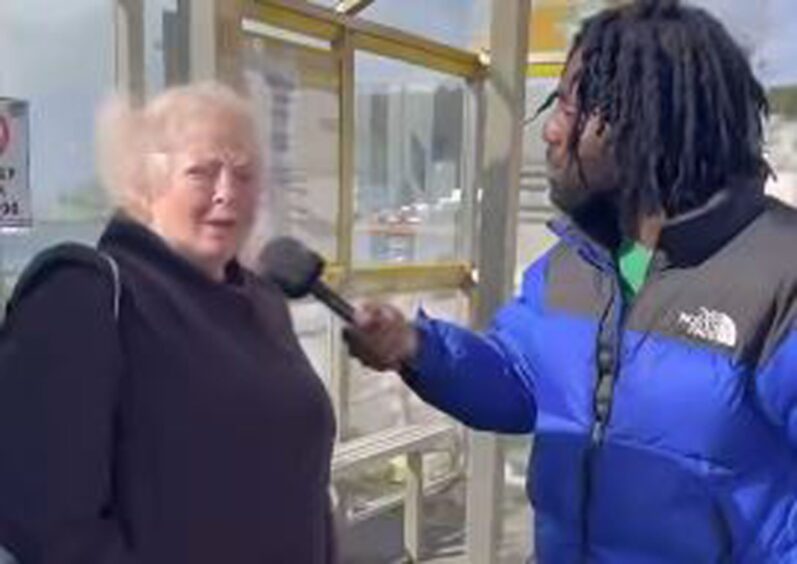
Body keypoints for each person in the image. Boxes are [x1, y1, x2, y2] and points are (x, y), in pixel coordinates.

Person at [344, 1, 797, 562]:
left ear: (648, 121)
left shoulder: (781, 276)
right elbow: (519, 382)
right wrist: (416, 349)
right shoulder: (574, 262)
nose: (552, 131)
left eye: (572, 108)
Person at [0, 83, 337, 563]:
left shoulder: (263, 300)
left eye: (244, 174)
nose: (228, 193)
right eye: (203, 171)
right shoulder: (84, 294)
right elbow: (46, 522)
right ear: (142, 184)